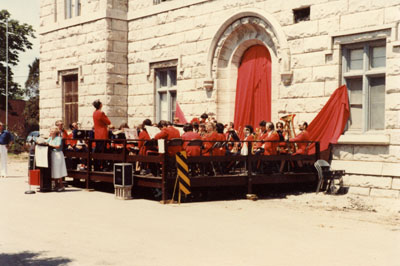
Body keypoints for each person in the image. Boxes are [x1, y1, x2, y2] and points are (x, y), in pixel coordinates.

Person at [46, 126, 68, 191]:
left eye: (52, 131)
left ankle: (61, 185)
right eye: (50, 130)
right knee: (54, 170)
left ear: (55, 132)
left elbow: (58, 146)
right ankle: (55, 185)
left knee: (58, 169)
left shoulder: (58, 138)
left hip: (57, 155)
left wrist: (50, 145)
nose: (51, 132)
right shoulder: (50, 138)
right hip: (52, 155)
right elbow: (45, 142)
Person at [92, 99, 111, 170]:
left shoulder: (94, 113)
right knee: (103, 150)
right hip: (102, 134)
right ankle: (102, 166)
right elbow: (108, 122)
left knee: (98, 150)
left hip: (97, 134)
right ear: (100, 105)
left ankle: (97, 166)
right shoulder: (101, 113)